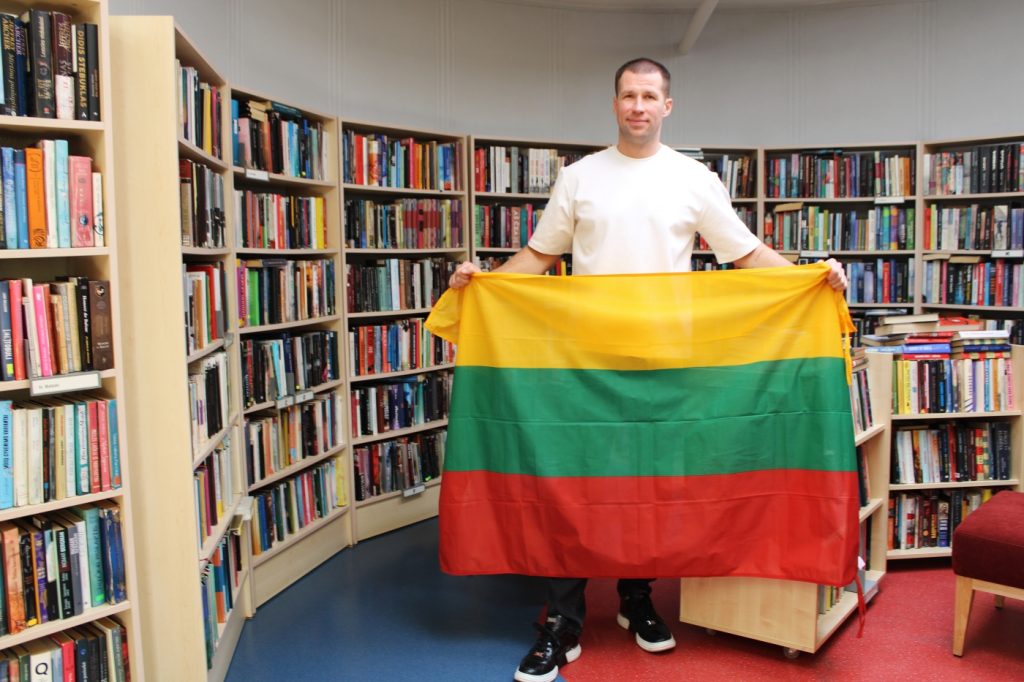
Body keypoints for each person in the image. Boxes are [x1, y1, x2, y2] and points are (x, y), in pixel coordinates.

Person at [448, 57, 848, 682]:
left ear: (667, 106)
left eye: (649, 96)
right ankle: (563, 621)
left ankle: (637, 599)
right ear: (615, 104)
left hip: (667, 360)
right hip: (584, 360)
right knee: (572, 485)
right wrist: (482, 285)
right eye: (628, 95)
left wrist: (814, 277)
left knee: (653, 485)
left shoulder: (695, 180)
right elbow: (539, 255)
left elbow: (746, 254)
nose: (638, 106)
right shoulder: (579, 177)